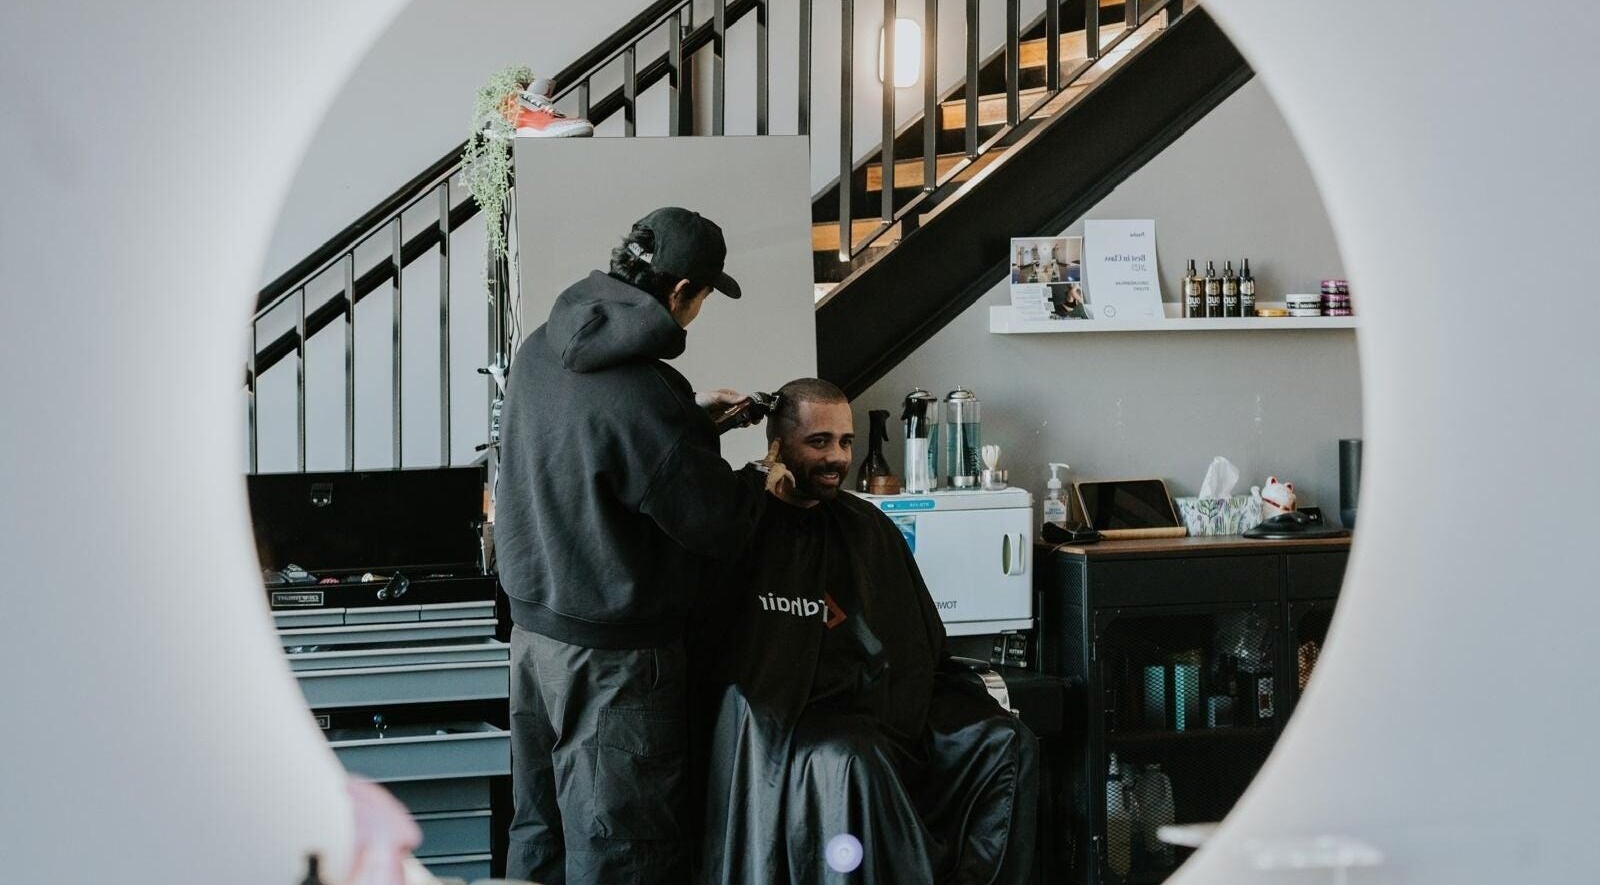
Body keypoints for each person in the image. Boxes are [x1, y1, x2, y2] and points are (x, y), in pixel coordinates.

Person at [496, 207, 790, 884]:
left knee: (538, 835)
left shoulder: (541, 346)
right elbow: (714, 521)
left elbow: (596, 453)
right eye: (704, 296)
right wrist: (762, 480)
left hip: (534, 643)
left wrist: (691, 423)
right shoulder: (646, 391)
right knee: (622, 853)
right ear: (683, 291)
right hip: (612, 665)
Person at [694, 379, 1039, 885]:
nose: (837, 457)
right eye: (819, 442)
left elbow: (921, 648)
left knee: (1006, 742)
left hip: (888, 711)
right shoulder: (742, 526)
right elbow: (726, 655)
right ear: (780, 444)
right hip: (794, 721)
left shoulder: (868, 527)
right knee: (857, 759)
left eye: (846, 442)